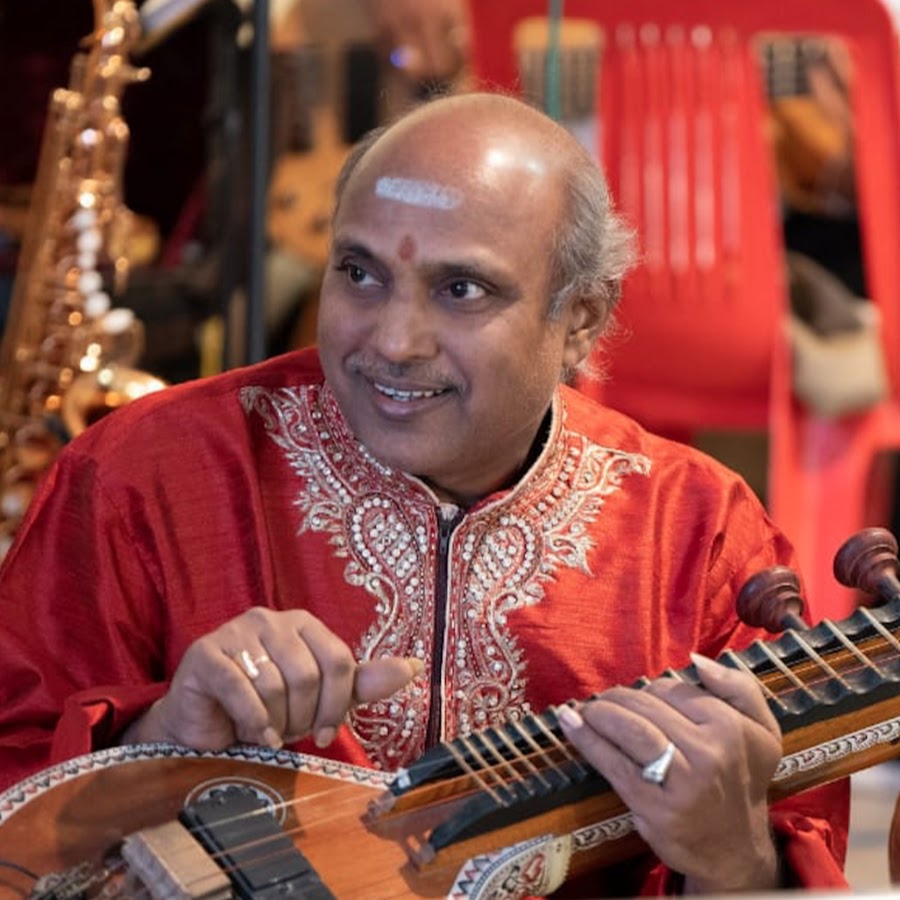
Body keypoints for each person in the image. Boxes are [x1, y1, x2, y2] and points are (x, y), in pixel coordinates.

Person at [0, 92, 848, 895]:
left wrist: (733, 863)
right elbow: (15, 782)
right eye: (359, 273)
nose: (393, 341)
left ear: (581, 319)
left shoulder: (695, 533)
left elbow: (797, 836)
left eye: (460, 289)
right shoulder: (147, 475)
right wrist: (165, 739)